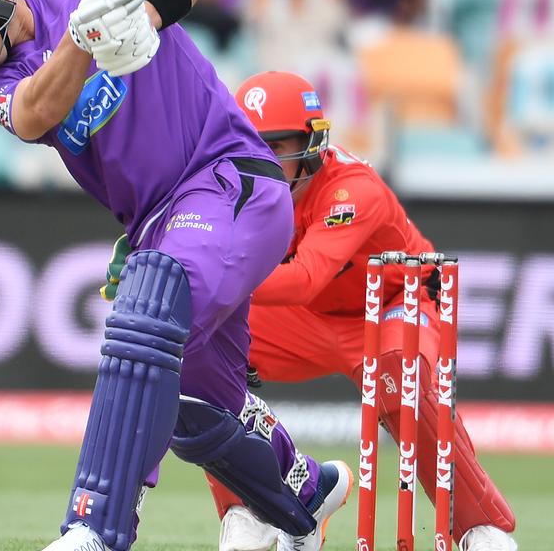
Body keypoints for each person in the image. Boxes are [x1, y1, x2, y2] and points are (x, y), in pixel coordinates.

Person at [0, 0, 352, 551]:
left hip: (227, 176)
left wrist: (143, 17)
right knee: (193, 408)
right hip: (159, 223)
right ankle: (303, 495)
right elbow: (38, 111)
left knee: (146, 309)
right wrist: (86, 39)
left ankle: (95, 526)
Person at [202, 70, 516, 551]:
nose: (263, 162)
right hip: (306, 320)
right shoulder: (241, 184)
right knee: (202, 348)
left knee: (399, 376)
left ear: (311, 145)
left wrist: (210, 270)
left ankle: (479, 527)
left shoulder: (351, 190)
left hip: (393, 303)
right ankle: (255, 507)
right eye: (254, 147)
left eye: (278, 147)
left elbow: (305, 278)